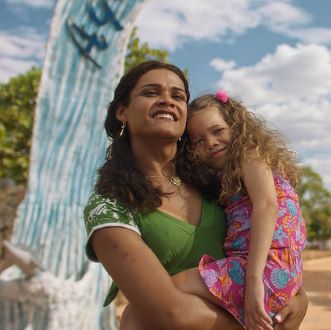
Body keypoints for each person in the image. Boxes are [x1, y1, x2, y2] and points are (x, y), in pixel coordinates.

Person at [83, 61, 307, 329]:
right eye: (151, 92)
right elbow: (170, 314)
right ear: (122, 111)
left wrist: (299, 301)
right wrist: (264, 323)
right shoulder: (111, 205)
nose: (167, 100)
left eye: (177, 96)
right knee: (132, 317)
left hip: (250, 302)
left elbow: (272, 240)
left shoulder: (213, 183)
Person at [171, 91, 306, 330]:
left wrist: (254, 281)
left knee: (169, 289)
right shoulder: (227, 178)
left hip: (260, 271)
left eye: (218, 131)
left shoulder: (249, 152)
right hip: (282, 275)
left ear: (236, 127)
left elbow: (266, 205)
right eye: (198, 141)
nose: (210, 142)